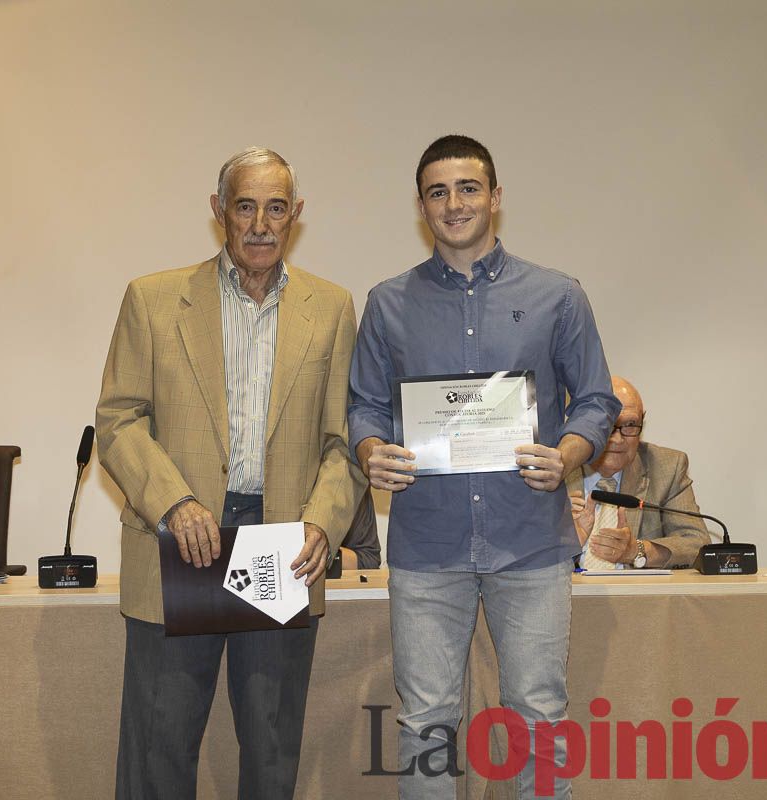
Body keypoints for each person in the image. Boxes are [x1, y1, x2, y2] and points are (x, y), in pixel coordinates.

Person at [348, 134, 619, 799]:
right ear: (421, 206)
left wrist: (567, 455)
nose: (454, 204)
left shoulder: (558, 295)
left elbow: (595, 400)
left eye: (468, 188)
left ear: (495, 197)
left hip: (529, 541)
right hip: (427, 545)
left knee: (539, 721)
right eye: (437, 192)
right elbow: (364, 407)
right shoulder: (387, 303)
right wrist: (371, 451)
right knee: (426, 726)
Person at [95, 146, 360, 799]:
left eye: (276, 208)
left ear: (297, 214)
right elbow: (118, 420)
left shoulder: (331, 308)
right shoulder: (153, 300)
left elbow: (345, 441)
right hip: (179, 541)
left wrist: (322, 523)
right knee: (159, 748)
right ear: (219, 210)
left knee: (271, 753)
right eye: (246, 206)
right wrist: (174, 502)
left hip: (282, 548)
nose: (261, 225)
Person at [568, 376, 712, 569]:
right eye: (606, 425)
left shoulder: (667, 467)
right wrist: (564, 542)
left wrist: (636, 551)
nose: (617, 439)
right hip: (569, 588)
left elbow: (696, 543)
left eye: (630, 425)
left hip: (634, 589)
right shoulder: (554, 471)